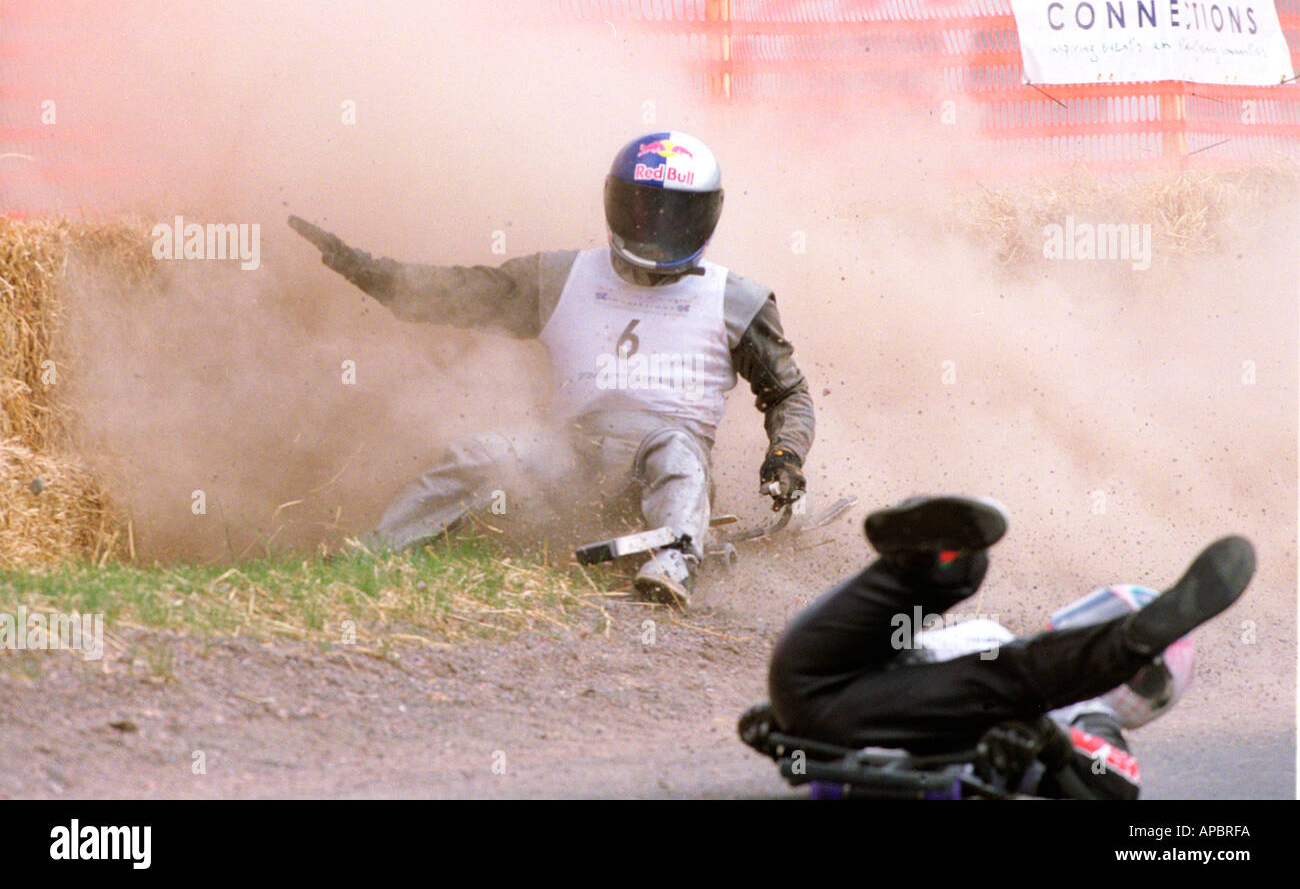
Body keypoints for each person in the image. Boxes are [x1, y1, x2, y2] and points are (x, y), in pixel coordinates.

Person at [289, 131, 814, 608]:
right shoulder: (562, 277)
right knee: (482, 451)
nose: (656, 230)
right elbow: (457, 295)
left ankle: (675, 559)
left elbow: (788, 394)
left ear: (707, 214)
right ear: (615, 204)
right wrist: (368, 271)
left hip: (668, 456)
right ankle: (374, 552)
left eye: (673, 217)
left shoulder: (736, 298)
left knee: (675, 452)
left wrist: (785, 456)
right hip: (573, 459)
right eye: (642, 211)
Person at [760, 494, 1256, 798]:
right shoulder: (999, 643)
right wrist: (775, 721)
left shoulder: (1083, 718)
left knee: (1012, 680)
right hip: (811, 683)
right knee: (966, 566)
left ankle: (1130, 642)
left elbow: (1120, 783)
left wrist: (1051, 743)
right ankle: (924, 559)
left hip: (883, 727)